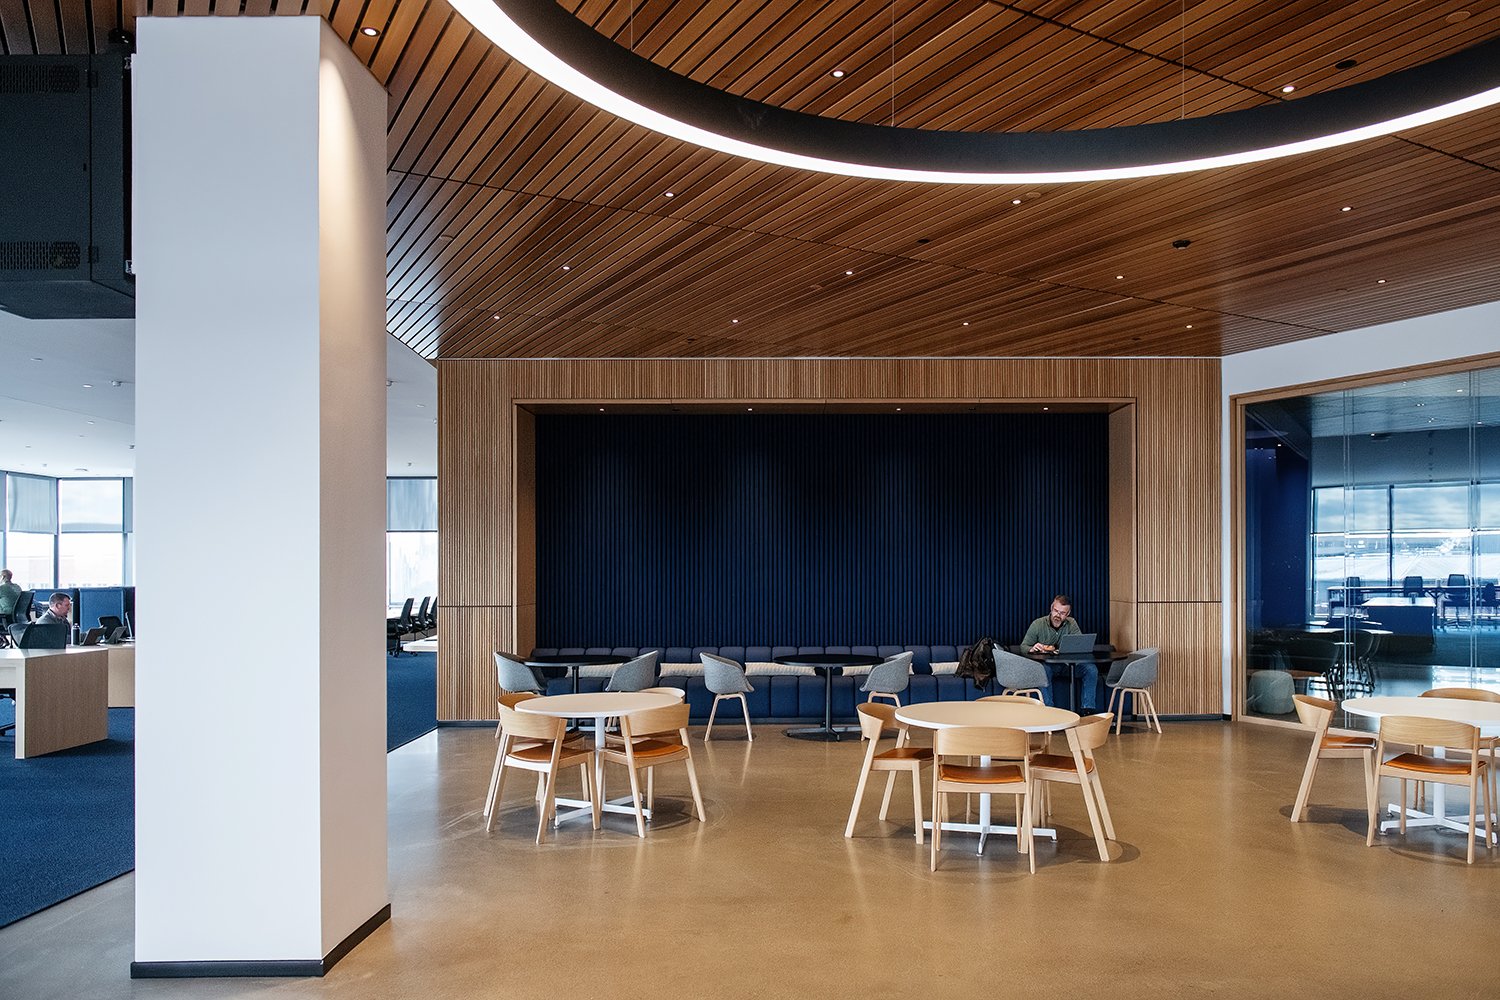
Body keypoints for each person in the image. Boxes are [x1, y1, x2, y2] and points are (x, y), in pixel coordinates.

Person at [1021, 594, 1100, 712]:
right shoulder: (1038, 624)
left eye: (1062, 613)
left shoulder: (1071, 624)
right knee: (1044, 670)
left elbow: (1079, 645)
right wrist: (1032, 649)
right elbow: (1023, 647)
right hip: (1048, 666)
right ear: (1051, 608)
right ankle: (1049, 711)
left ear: (1068, 614)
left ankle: (1087, 710)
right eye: (1056, 611)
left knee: (1091, 669)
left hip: (1068, 666)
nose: (1057, 615)